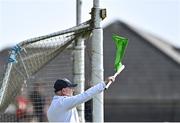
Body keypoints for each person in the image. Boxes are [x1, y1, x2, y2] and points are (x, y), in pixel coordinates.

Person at [47, 76, 115, 122]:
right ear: (64, 91)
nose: (73, 90)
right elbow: (85, 95)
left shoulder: (51, 108)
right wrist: (104, 83)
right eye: (70, 88)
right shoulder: (63, 102)